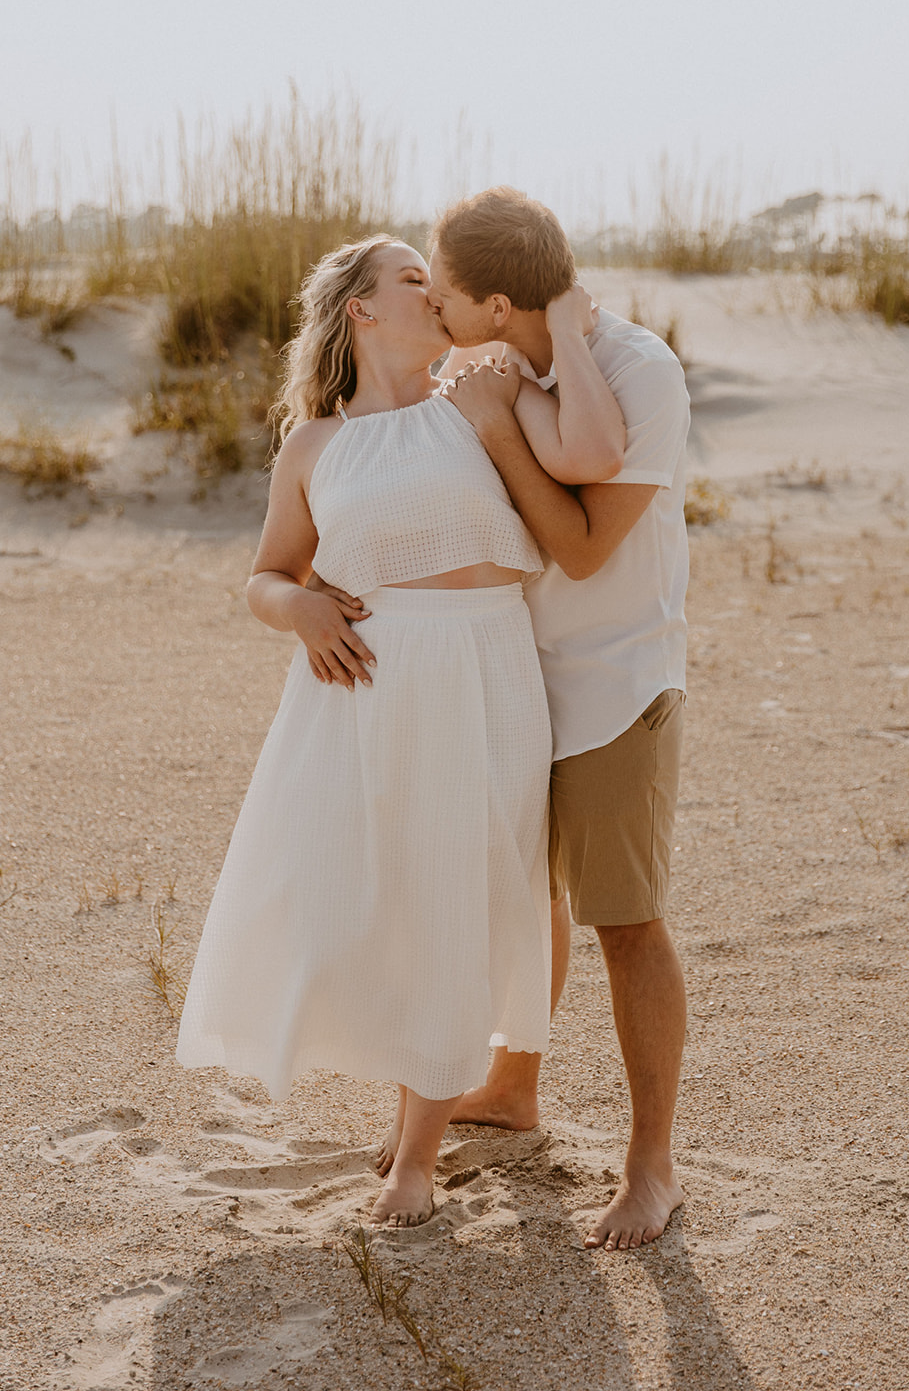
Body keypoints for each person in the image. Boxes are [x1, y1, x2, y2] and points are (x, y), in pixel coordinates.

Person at [175, 234, 624, 1229]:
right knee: (381, 894)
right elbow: (266, 573)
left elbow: (594, 454)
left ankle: (422, 1148)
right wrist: (296, 610)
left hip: (484, 671)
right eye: (415, 279)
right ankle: (424, 1081)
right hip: (365, 684)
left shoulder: (481, 393)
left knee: (465, 886)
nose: (441, 292)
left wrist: (560, 327)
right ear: (360, 312)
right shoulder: (313, 446)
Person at [309, 189, 691, 1252]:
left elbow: (577, 544)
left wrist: (524, 378)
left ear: (491, 302)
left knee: (624, 919)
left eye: (441, 284)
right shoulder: (477, 365)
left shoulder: (637, 373)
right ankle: (508, 1088)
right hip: (509, 676)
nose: (428, 297)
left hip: (614, 680)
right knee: (519, 894)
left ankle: (650, 1166)